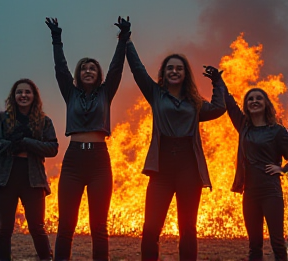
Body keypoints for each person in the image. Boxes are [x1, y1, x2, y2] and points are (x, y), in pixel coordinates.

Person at [125, 34, 226, 260]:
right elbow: (138, 70)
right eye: (170, 68)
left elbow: (219, 108)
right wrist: (127, 41)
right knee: (151, 227)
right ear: (164, 72)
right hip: (162, 169)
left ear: (185, 73)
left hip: (188, 169)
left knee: (188, 228)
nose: (174, 71)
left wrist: (218, 83)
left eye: (179, 68)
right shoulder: (155, 94)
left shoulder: (195, 102)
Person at [45, 16, 131, 261]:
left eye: (92, 68)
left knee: (99, 227)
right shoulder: (69, 93)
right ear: (78, 74)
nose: (88, 71)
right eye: (84, 68)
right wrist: (56, 39)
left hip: (99, 162)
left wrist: (123, 38)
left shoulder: (106, 92)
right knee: (66, 226)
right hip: (72, 162)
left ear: (99, 74)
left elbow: (116, 68)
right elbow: (60, 69)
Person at [224, 85, 288, 260]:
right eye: (250, 99)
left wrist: (282, 169)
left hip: (271, 192)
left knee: (277, 242)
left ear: (266, 103)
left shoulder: (277, 131)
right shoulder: (244, 127)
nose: (254, 101)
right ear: (246, 105)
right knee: (254, 244)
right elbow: (230, 104)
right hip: (250, 193)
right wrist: (218, 80)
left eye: (258, 98)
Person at [0, 79, 58, 261]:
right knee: (4, 228)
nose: (23, 95)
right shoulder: (2, 119)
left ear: (34, 96)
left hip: (33, 179)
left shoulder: (44, 121)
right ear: (13, 96)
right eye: (19, 92)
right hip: (6, 178)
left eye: (27, 92)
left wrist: (27, 142)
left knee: (36, 226)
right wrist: (11, 146)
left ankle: (46, 258)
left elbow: (52, 148)